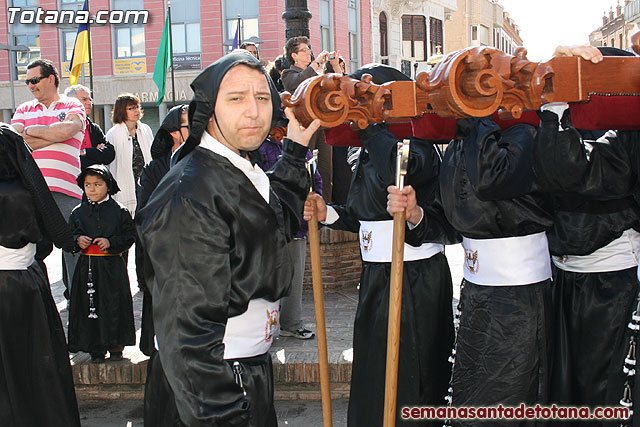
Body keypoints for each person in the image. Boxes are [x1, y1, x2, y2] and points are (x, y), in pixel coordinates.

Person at [137, 52, 318, 426]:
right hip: (211, 388)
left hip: (245, 369)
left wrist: (296, 150)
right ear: (209, 108)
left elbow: (272, 223)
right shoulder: (190, 191)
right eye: (236, 98)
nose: (253, 111)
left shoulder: (238, 168)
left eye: (263, 98)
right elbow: (187, 336)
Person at [305, 65, 458, 426]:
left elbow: (403, 171)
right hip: (376, 276)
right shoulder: (369, 147)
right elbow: (365, 217)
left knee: (412, 375)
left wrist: (371, 128)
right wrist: (329, 214)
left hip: (415, 278)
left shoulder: (414, 142)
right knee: (375, 372)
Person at [533, 46, 640, 424]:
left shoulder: (626, 132)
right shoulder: (566, 121)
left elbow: (573, 171)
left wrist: (554, 110)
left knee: (603, 394)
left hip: (611, 285)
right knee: (564, 392)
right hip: (565, 277)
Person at [437, 111, 554, 425]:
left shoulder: (523, 133)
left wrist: (480, 118)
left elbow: (491, 180)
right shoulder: (462, 140)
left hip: (517, 294)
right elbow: (451, 211)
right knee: (471, 394)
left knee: (508, 398)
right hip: (477, 289)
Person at [0, 123, 80, 426]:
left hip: (15, 281)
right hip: (23, 284)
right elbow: (46, 236)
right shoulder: (23, 190)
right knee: (33, 366)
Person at [10, 58, 85, 291]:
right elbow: (14, 143)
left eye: (34, 80)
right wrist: (54, 133)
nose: (31, 85)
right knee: (28, 253)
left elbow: (68, 129)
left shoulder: (73, 104)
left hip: (66, 191)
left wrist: (31, 132)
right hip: (30, 192)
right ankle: (37, 308)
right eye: (27, 82)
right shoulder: (23, 108)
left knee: (74, 249)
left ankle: (78, 306)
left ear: (51, 79)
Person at [67, 164, 136, 362]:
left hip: (112, 268)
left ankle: (116, 347)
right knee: (91, 306)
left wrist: (111, 242)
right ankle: (95, 349)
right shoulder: (77, 213)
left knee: (113, 305)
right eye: (88, 184)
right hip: (86, 268)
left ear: (108, 185)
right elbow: (69, 236)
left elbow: (130, 236)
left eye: (97, 184)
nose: (92, 189)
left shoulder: (119, 211)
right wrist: (77, 240)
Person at [135, 104, 189, 357]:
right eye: (190, 125)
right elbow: (145, 213)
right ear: (175, 133)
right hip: (164, 253)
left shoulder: (207, 163)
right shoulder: (155, 169)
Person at [257, 136, 322, 340]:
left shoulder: (302, 149)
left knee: (295, 277)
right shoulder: (257, 145)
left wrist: (313, 203)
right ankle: (265, 329)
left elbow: (315, 180)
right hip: (266, 225)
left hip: (298, 223)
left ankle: (292, 323)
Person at [281, 36, 339, 202]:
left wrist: (334, 67)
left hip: (322, 125)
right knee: (306, 167)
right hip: (303, 128)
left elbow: (336, 85)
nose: (309, 53)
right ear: (294, 55)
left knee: (325, 171)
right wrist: (316, 64)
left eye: (309, 50)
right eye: (304, 50)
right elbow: (297, 84)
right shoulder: (288, 73)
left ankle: (325, 206)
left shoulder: (316, 73)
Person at [106, 93, 153, 216]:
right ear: (122, 111)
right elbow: (112, 164)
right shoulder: (113, 134)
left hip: (145, 182)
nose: (136, 111)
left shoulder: (145, 129)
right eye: (131, 108)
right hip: (126, 183)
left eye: (137, 107)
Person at [65, 84, 115, 170]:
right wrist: (95, 152)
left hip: (91, 178)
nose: (89, 103)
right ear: (70, 102)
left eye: (90, 100)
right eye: (84, 99)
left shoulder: (93, 128)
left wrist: (85, 152)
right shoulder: (62, 126)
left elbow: (109, 154)